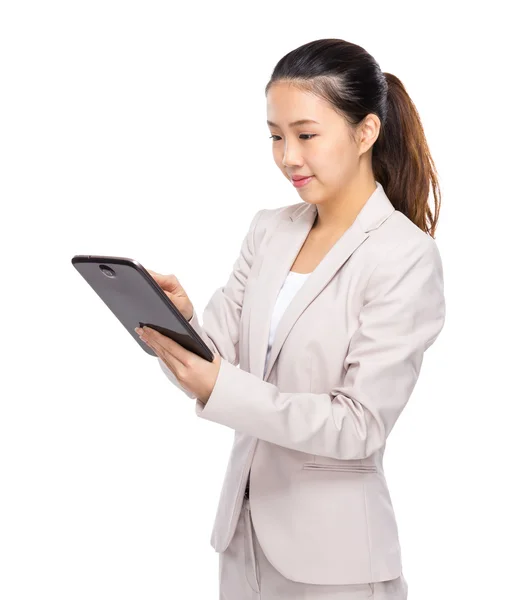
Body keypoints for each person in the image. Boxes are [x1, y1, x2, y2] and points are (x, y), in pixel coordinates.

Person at [137, 38, 445, 599]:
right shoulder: (269, 229)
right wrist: (179, 327)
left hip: (339, 564)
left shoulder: (404, 256)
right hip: (243, 544)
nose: (287, 157)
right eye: (276, 137)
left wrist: (219, 384)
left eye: (305, 135)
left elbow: (359, 425)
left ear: (365, 132)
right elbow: (220, 365)